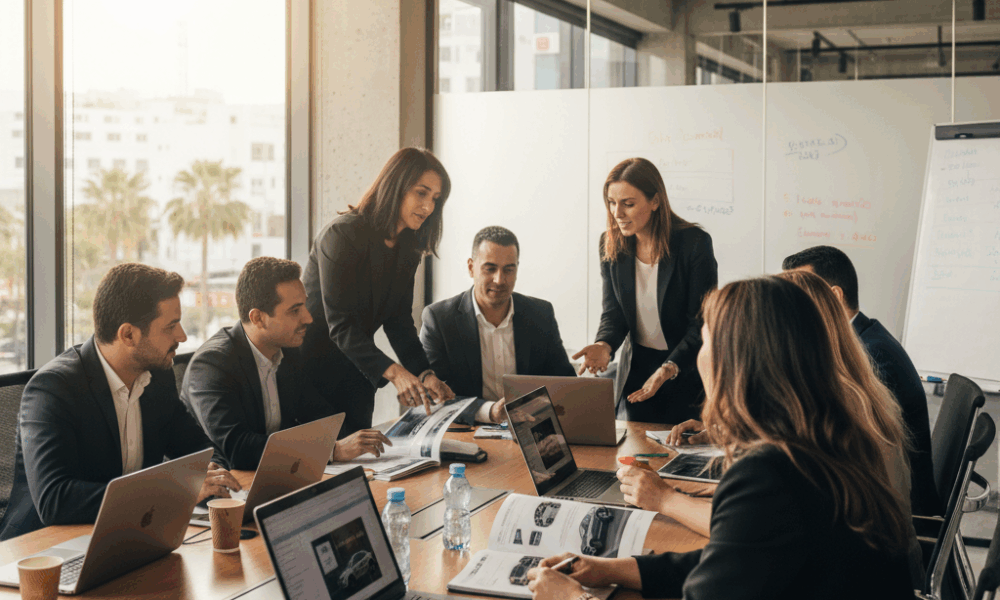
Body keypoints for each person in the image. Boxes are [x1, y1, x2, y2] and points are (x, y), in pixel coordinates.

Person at [527, 277, 914, 600]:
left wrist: (572, 597)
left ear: (737, 360)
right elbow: (731, 559)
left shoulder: (770, 472)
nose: (699, 356)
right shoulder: (827, 437)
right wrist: (611, 569)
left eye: (706, 340)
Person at [0, 264, 240, 541]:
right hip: (44, 549)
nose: (182, 336)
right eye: (171, 326)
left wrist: (212, 475)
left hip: (128, 534)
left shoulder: (157, 376)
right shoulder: (53, 389)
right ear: (128, 335)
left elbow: (201, 451)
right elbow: (55, 499)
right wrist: (174, 491)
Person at [181, 257, 391, 471]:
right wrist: (332, 451)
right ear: (258, 318)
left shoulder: (287, 351)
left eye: (305, 306)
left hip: (279, 474)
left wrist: (366, 446)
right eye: (295, 311)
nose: (308, 318)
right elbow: (238, 448)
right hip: (225, 488)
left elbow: (319, 414)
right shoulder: (211, 365)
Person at [301, 148, 455, 437]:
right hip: (310, 375)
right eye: (421, 193)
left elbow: (398, 321)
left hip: (358, 375)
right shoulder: (342, 235)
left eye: (435, 198)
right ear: (396, 187)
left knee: (361, 468)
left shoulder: (407, 248)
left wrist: (425, 374)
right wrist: (396, 373)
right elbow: (341, 326)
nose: (428, 206)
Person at [782, 244, 939, 516]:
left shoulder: (872, 356)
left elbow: (831, 444)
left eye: (800, 293)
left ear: (833, 296)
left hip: (894, 513)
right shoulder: (863, 338)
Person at [573, 158, 717, 424]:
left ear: (655, 201)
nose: (617, 213)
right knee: (638, 456)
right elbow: (614, 313)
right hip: (639, 374)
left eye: (628, 204)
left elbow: (701, 322)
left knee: (683, 457)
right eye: (611, 203)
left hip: (685, 371)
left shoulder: (693, 244)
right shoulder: (610, 243)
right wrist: (604, 344)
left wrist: (667, 369)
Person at [420, 226, 575, 425]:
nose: (499, 279)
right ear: (471, 267)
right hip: (468, 432)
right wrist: (490, 412)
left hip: (530, 429)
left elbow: (564, 382)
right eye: (490, 268)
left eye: (509, 269)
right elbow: (433, 397)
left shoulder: (540, 314)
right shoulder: (439, 319)